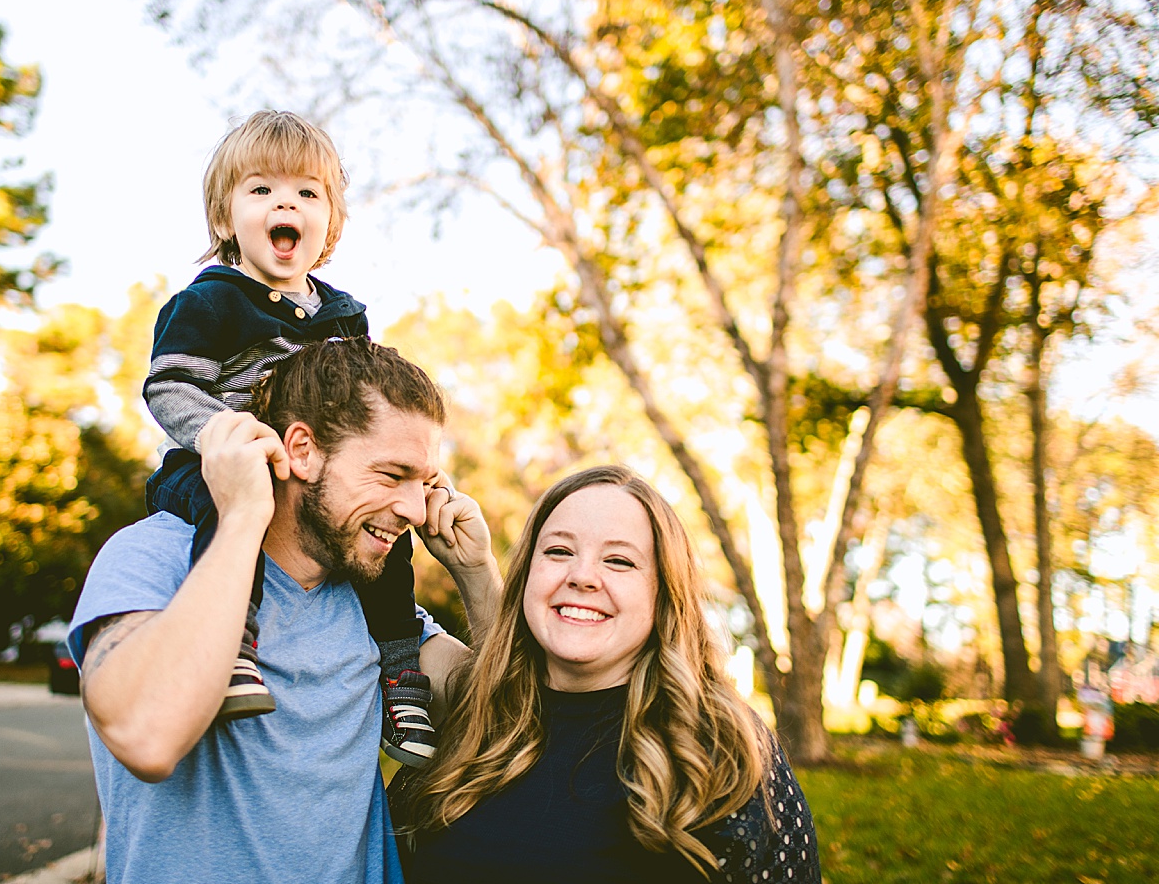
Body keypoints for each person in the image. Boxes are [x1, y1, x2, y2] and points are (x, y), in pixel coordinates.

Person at [68, 338, 503, 883]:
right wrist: (244, 516)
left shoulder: (376, 610)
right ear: (301, 451)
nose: (416, 510)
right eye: (393, 476)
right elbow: (146, 737)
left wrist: (476, 570)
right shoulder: (154, 557)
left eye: (424, 483)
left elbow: (511, 710)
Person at [142, 109, 436, 765]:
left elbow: (368, 403)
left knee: (388, 534)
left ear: (329, 223)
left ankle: (399, 672)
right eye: (262, 189)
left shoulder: (343, 314)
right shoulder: (212, 299)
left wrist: (395, 469)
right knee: (230, 512)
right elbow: (168, 388)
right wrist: (228, 435)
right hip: (217, 460)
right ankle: (231, 647)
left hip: (311, 474)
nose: (286, 201)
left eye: (307, 192)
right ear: (225, 218)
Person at [393, 465, 823, 883]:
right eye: (559, 551)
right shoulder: (471, 712)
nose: (582, 576)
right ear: (526, 575)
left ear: (664, 592)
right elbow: (385, 618)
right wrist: (457, 554)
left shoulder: (720, 745)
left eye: (619, 561)